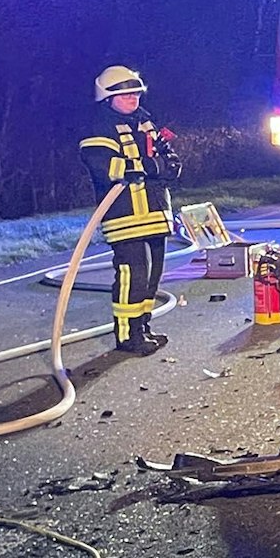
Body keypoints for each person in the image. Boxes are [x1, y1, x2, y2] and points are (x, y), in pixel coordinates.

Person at [79, 66, 182, 356]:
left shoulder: (145, 122)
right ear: (108, 98)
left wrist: (163, 166)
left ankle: (143, 327)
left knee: (152, 277)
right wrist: (145, 167)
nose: (132, 99)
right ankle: (127, 335)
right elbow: (103, 166)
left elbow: (168, 160)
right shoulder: (99, 128)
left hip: (156, 213)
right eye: (124, 95)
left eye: (135, 93)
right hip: (125, 217)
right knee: (131, 275)